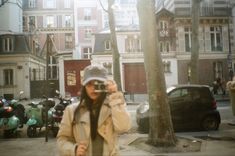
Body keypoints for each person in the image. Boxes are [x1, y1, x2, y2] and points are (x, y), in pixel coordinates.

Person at [57, 64, 131, 156]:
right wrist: (73, 149)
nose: (93, 88)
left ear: (104, 86)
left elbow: (124, 127)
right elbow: (62, 139)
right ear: (84, 86)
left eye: (97, 84)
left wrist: (114, 95)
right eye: (89, 84)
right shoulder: (72, 110)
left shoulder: (113, 107)